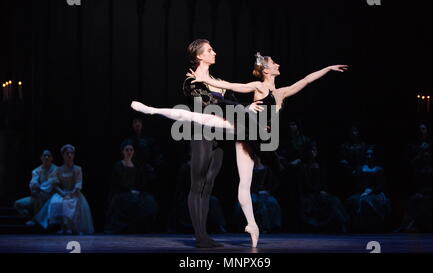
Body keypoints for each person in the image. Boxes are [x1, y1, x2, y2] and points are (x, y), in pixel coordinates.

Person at [131, 51, 347, 247]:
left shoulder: (282, 92)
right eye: (274, 62)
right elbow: (233, 86)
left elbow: (307, 80)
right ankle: (152, 110)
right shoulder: (258, 86)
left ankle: (252, 224)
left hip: (258, 136)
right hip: (245, 127)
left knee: (251, 177)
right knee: (204, 121)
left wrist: (328, 69)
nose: (278, 64)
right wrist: (204, 79)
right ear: (266, 69)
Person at [34, 144, 94, 234]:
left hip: (74, 192)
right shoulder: (59, 169)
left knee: (71, 203)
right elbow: (55, 184)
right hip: (62, 192)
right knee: (56, 202)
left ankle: (72, 227)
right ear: (63, 155)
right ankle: (64, 227)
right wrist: (62, 193)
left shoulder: (77, 169)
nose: (69, 155)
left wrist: (71, 193)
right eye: (67, 153)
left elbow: (78, 183)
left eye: (71, 153)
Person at [104, 140, 158, 234]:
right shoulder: (119, 165)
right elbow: (117, 182)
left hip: (133, 192)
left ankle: (139, 228)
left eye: (131, 150)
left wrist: (136, 190)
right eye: (127, 150)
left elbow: (138, 182)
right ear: (123, 151)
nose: (129, 152)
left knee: (149, 200)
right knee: (130, 200)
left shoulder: (135, 166)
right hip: (121, 192)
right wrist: (129, 190)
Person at [14, 149, 58, 224]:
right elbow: (33, 183)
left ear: (52, 158)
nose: (46, 157)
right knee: (18, 204)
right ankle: (32, 216)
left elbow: (51, 184)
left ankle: (36, 220)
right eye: (45, 156)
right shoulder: (37, 170)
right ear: (41, 157)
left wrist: (39, 188)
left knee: (40, 196)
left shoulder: (57, 169)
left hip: (51, 197)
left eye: (48, 156)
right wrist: (34, 190)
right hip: (39, 195)